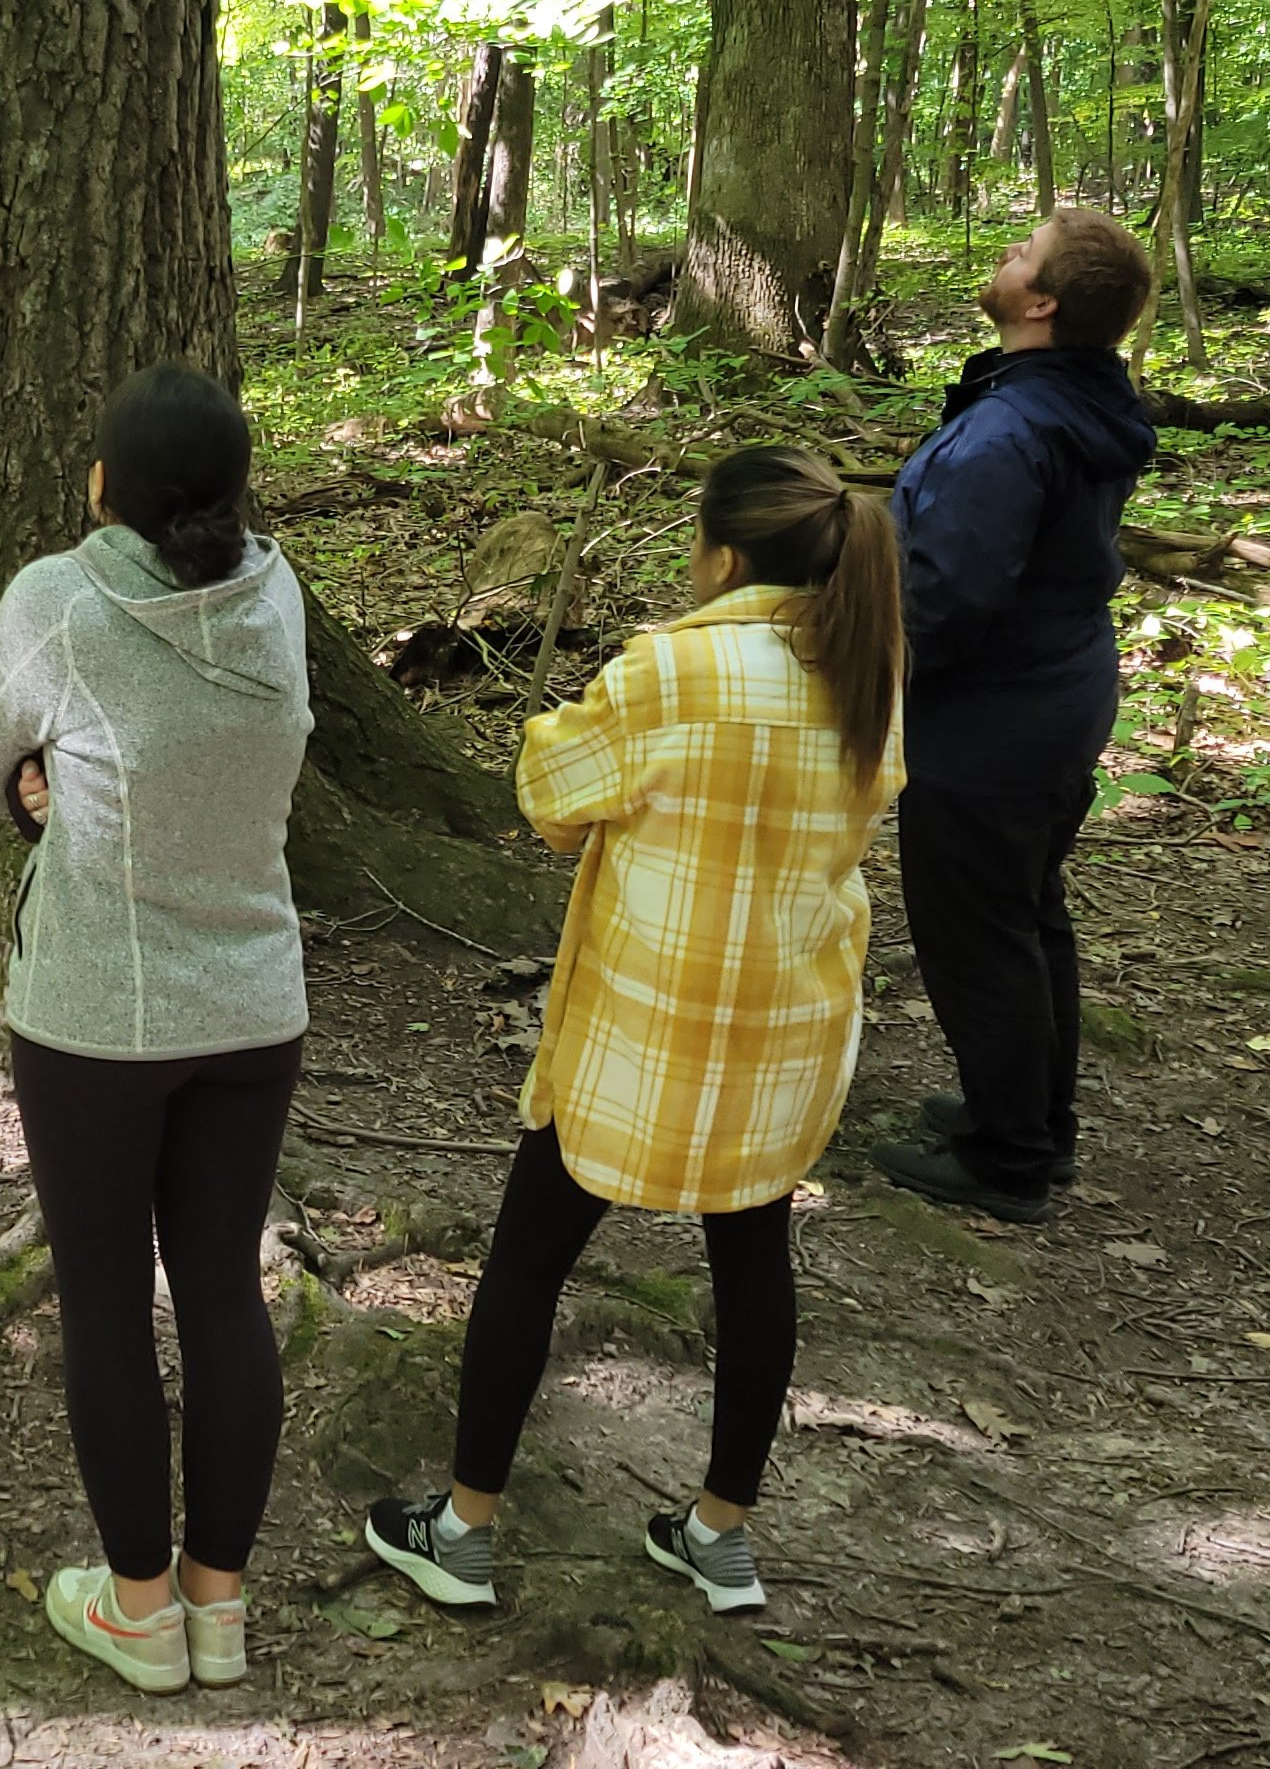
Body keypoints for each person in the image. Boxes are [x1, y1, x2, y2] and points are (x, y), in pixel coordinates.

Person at [366, 446, 906, 1623]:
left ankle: (461, 1531)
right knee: (754, 1264)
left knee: (527, 1260)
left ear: (717, 553)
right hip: (783, 1034)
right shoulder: (865, 670)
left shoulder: (668, 669)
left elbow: (552, 799)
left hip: (640, 1031)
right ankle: (721, 1535)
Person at [0, 365, 314, 1696]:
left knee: (107, 1301)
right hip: (253, 1002)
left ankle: (139, 1611)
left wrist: (43, 787)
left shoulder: (57, 599)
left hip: (98, 1011)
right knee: (221, 1288)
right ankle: (218, 1613)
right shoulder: (277, 596)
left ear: (104, 484)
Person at [865, 207, 1160, 1225]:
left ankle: (1011, 1159)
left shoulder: (1011, 428)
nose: (1002, 256)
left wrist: (864, 675)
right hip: (1055, 694)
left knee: (980, 934)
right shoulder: (1073, 399)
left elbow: (948, 597)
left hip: (994, 720)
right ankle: (1035, 1115)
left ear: (1041, 303)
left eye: (1020, 253)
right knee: (1028, 917)